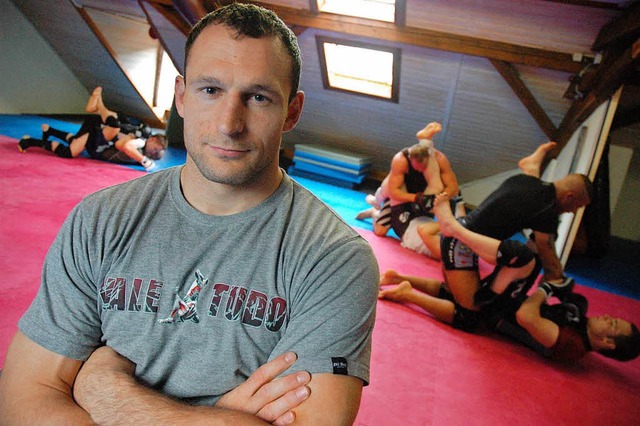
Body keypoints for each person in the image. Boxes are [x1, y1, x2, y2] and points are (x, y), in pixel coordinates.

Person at [0, 4, 379, 425]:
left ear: (291, 111)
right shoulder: (100, 220)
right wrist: (219, 418)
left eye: (258, 97)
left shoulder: (334, 259)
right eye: (210, 90)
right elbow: (22, 402)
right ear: (181, 96)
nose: (229, 123)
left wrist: (108, 391)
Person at [379, 194, 640, 362]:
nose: (608, 317)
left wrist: (546, 290)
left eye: (613, 325)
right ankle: (402, 280)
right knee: (527, 260)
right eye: (615, 318)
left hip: (500, 315)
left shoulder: (571, 346)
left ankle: (407, 287)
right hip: (504, 299)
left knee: (469, 313)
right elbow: (568, 293)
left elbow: (526, 317)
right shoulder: (579, 315)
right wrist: (555, 284)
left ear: (607, 343)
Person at [441, 141, 593, 311]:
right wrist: (561, 282)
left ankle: (405, 283)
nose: (573, 212)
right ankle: (451, 227)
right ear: (569, 197)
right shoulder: (547, 211)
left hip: (466, 237)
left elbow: (532, 199)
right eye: (577, 207)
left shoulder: (528, 183)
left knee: (447, 293)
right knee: (470, 311)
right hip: (459, 243)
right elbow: (548, 257)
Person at [356, 121, 462, 259]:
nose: (420, 170)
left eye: (423, 167)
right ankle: (376, 206)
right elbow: (393, 191)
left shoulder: (439, 160)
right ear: (412, 159)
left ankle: (375, 208)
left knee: (437, 187)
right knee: (380, 229)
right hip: (402, 195)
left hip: (423, 198)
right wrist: (416, 198)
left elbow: (453, 187)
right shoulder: (401, 160)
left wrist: (440, 199)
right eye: (417, 167)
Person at [17, 86, 167, 171]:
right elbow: (122, 145)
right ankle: (98, 106)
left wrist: (145, 158)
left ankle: (43, 134)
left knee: (71, 149)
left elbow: (122, 143)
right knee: (113, 126)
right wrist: (144, 160)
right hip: (99, 140)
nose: (155, 151)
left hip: (98, 135)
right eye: (157, 147)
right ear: (152, 139)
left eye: (157, 151)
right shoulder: (140, 141)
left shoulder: (142, 144)